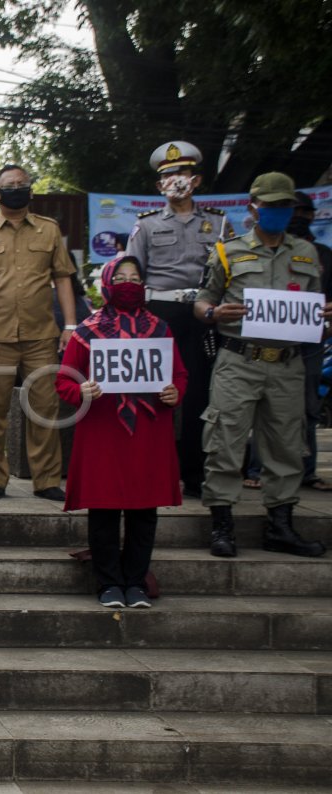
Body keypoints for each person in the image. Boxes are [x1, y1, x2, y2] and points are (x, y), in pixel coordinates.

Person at [193, 172, 328, 559]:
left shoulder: (306, 253)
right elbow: (202, 300)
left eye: (285, 206)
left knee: (287, 445)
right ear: (254, 207)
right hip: (239, 360)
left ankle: (281, 526)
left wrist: (324, 318)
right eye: (270, 206)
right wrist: (214, 312)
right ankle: (221, 526)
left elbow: (316, 311)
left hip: (288, 364)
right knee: (225, 440)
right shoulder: (227, 252)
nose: (278, 213)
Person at [56, 254, 187, 608]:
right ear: (108, 284)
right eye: (122, 276)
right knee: (104, 509)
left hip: (148, 431)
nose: (129, 283)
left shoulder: (159, 329)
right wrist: (81, 391)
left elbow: (178, 375)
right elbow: (64, 382)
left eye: (135, 276)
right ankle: (109, 583)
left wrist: (175, 393)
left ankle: (137, 582)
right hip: (103, 432)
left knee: (145, 511)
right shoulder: (86, 332)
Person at [0, 164, 77, 501]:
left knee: (44, 408)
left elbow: (63, 278)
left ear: (31, 191)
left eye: (22, 184)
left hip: (40, 335)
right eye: (9, 185)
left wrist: (70, 325)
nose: (16, 189)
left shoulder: (49, 231)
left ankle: (46, 479)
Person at [124, 141, 232, 498]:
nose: (176, 181)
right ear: (159, 186)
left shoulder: (218, 224)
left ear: (196, 180)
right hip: (160, 315)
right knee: (154, 391)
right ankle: (152, 468)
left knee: (199, 393)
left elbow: (231, 276)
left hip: (203, 316)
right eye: (168, 176)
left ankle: (195, 473)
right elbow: (131, 274)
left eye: (182, 173)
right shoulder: (147, 226)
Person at [244, 190, 332, 491]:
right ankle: (256, 470)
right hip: (264, 346)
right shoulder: (254, 252)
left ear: (311, 216)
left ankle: (306, 472)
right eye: (288, 211)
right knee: (262, 408)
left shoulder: (320, 255)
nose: (296, 218)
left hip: (308, 346)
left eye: (301, 212)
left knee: (306, 409)